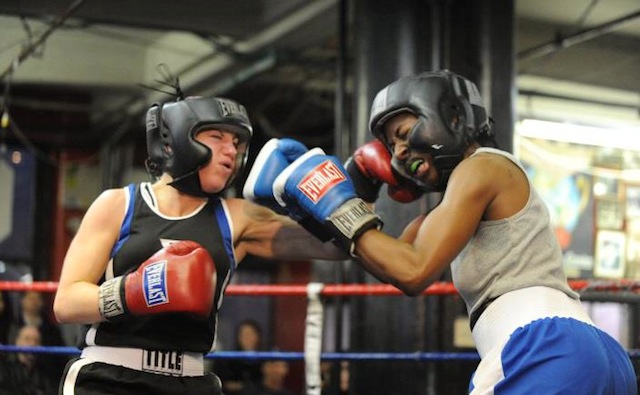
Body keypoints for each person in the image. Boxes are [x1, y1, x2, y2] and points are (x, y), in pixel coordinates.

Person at [250, 70, 638, 394]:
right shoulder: (448, 211)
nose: (399, 151)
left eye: (403, 132)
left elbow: (413, 271)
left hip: (544, 345)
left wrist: (337, 203)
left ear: (452, 117)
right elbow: (388, 262)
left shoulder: (482, 167)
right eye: (390, 145)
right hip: (588, 350)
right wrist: (328, 204)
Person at [53, 96, 347, 395]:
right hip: (109, 378)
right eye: (217, 137)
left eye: (237, 141)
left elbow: (336, 246)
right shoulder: (119, 204)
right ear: (173, 141)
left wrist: (357, 186)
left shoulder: (238, 217)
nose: (231, 150)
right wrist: (135, 292)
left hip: (192, 381)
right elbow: (66, 303)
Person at [0, 324, 57, 395]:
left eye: (36, 340)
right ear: (17, 341)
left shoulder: (45, 372)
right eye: (27, 339)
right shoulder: (5, 368)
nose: (32, 344)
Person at [217, 319, 264, 394]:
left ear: (257, 336)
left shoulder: (265, 360)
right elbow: (224, 384)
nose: (247, 338)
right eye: (243, 334)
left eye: (250, 334)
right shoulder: (228, 360)